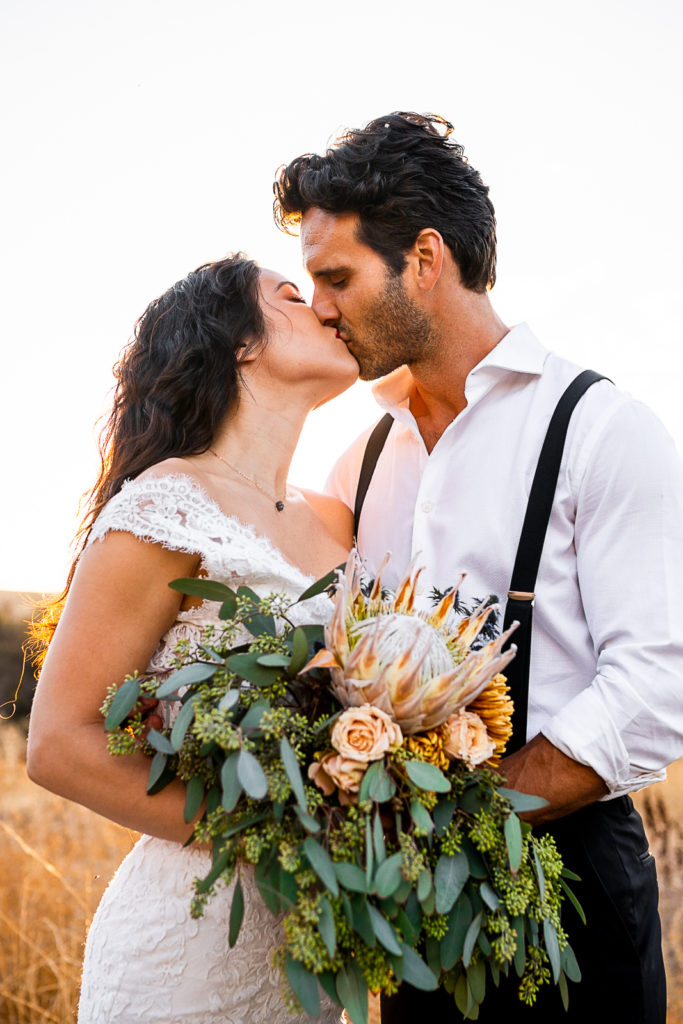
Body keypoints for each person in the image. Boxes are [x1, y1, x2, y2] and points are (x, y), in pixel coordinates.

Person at [273, 112, 683, 1023]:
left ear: (424, 258)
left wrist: (458, 818)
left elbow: (655, 688)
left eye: (335, 276)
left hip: (569, 896)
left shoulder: (601, 429)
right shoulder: (362, 457)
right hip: (407, 910)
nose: (322, 307)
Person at [26, 254, 358, 1023]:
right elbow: (58, 742)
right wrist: (270, 835)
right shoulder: (169, 501)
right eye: (291, 296)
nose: (325, 308)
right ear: (240, 342)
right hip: (189, 949)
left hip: (311, 944)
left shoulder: (334, 517)